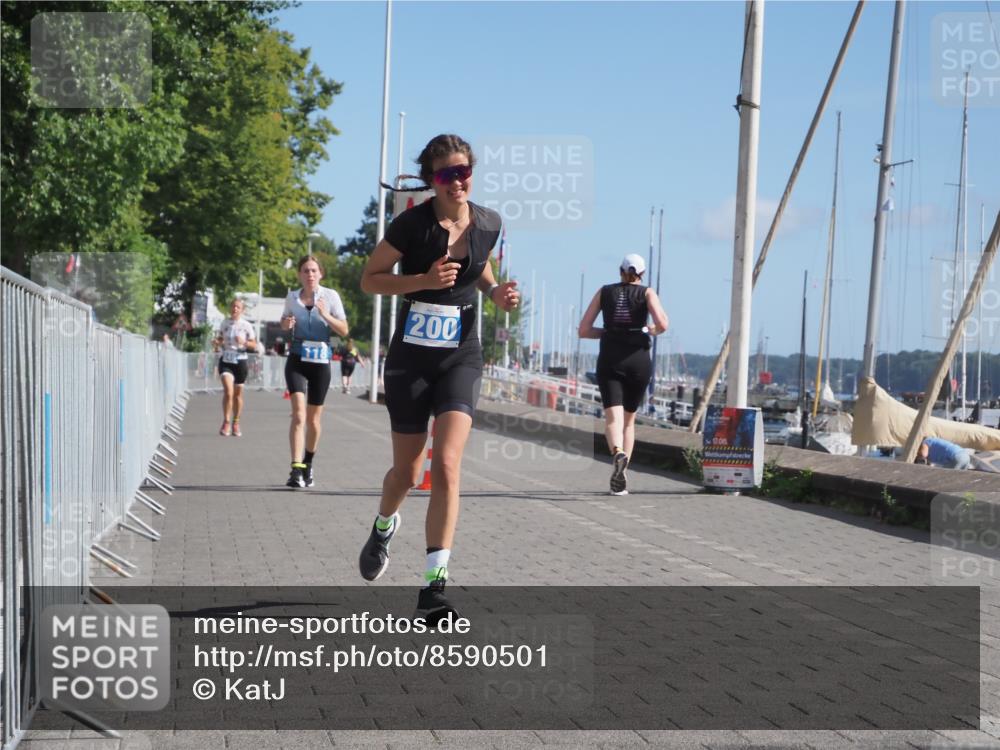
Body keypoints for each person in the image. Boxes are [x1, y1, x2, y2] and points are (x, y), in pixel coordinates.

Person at [357, 133, 519, 623]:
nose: (459, 181)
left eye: (465, 171)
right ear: (432, 180)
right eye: (449, 174)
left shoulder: (489, 222)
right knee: (407, 474)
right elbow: (370, 279)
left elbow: (482, 269)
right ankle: (384, 525)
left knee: (446, 465)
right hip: (411, 359)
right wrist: (421, 281)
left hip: (460, 358)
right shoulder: (411, 223)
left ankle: (434, 587)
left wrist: (497, 295)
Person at [578, 254, 669, 495]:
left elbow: (584, 330)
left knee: (613, 419)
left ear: (620, 271)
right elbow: (663, 324)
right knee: (629, 421)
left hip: (610, 358)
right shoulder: (647, 293)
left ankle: (616, 451)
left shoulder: (604, 292)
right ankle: (622, 475)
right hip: (639, 360)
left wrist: (608, 332)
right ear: (642, 273)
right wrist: (651, 330)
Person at [280, 256, 349, 488]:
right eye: (305, 271)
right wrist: (286, 324)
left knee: (313, 419)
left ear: (321, 274)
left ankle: (308, 464)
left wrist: (325, 315)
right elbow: (283, 321)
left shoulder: (330, 297)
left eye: (313, 271)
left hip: (320, 363)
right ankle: (295, 468)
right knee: (298, 414)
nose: (310, 275)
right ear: (299, 274)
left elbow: (344, 330)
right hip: (297, 359)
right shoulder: (292, 297)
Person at [214, 299, 258, 437]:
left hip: (240, 361)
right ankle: (226, 422)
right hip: (226, 359)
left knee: (238, 395)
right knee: (228, 391)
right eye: (233, 306)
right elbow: (220, 339)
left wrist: (244, 342)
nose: (235, 309)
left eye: (238, 307)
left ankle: (236, 422)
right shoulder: (224, 323)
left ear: (242, 310)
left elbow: (254, 345)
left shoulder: (247, 325)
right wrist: (217, 342)